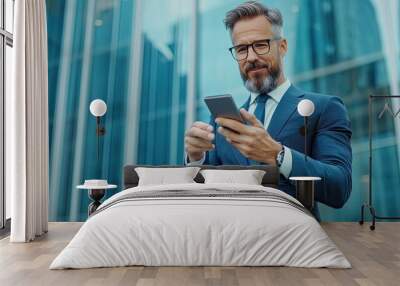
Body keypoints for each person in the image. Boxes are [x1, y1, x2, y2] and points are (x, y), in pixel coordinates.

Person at [184, 1, 352, 212]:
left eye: (261, 45)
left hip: (293, 239)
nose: (251, 57)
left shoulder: (325, 107)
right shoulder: (222, 122)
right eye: (242, 49)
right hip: (233, 239)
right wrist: (195, 158)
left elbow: (340, 187)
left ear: (282, 46)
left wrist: (278, 155)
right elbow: (203, 195)